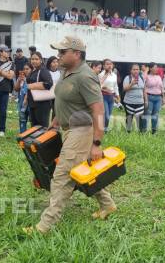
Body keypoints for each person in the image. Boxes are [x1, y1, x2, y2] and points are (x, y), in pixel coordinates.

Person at [23, 36, 117, 234]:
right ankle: (107, 204)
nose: (58, 55)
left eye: (62, 52)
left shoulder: (85, 76)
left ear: (77, 54)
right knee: (80, 172)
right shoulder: (66, 72)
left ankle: (45, 226)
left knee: (62, 176)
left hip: (81, 131)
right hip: (67, 130)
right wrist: (56, 121)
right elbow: (66, 101)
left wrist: (97, 143)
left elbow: (99, 112)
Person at [27, 51, 53, 127]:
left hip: (42, 104)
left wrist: (32, 86)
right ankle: (35, 139)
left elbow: (48, 84)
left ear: (41, 60)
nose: (34, 61)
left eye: (36, 59)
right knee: (34, 127)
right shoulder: (34, 70)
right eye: (32, 59)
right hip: (33, 103)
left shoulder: (43, 70)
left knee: (42, 127)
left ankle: (42, 139)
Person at [123, 64, 147, 133]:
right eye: (134, 69)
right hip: (129, 102)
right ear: (131, 70)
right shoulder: (127, 78)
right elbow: (125, 89)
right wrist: (132, 84)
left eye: (137, 69)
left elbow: (144, 89)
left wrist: (146, 101)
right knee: (129, 118)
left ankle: (141, 133)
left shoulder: (142, 78)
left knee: (140, 118)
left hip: (140, 102)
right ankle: (128, 131)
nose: (136, 71)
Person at [142, 63, 164, 134]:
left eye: (157, 67)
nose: (156, 69)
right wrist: (146, 70)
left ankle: (154, 131)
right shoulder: (147, 76)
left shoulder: (158, 77)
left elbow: (161, 87)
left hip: (158, 98)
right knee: (147, 114)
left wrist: (163, 97)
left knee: (156, 114)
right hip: (149, 97)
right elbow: (143, 80)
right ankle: (144, 130)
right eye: (155, 67)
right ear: (150, 68)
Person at [99, 59, 120, 132]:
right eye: (107, 64)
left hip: (111, 97)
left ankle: (105, 129)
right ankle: (103, 129)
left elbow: (115, 86)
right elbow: (98, 86)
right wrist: (104, 89)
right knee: (106, 115)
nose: (109, 65)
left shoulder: (114, 75)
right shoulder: (101, 74)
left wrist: (117, 95)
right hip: (103, 96)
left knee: (109, 115)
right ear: (104, 66)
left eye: (111, 64)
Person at [14, 63, 32, 133]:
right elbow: (16, 89)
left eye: (27, 69)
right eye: (24, 69)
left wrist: (26, 98)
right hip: (21, 102)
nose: (25, 71)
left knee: (32, 120)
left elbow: (29, 89)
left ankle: (32, 135)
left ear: (31, 69)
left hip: (30, 102)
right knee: (22, 119)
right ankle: (22, 134)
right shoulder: (21, 78)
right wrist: (19, 81)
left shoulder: (32, 78)